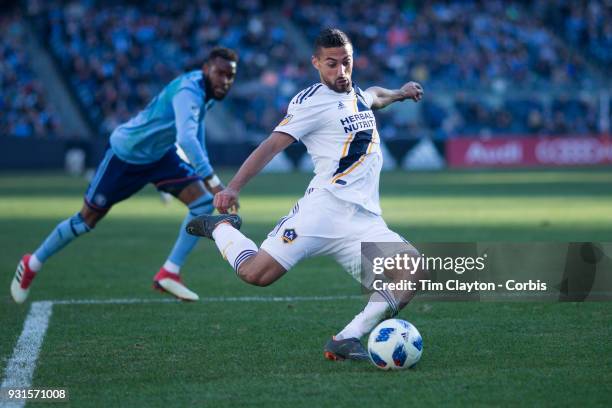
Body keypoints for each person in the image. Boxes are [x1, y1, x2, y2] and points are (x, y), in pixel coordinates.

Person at [186, 29, 426, 361]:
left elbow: (374, 96)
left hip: (363, 221)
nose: (341, 72)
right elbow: (271, 145)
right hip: (322, 211)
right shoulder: (310, 102)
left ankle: (346, 338)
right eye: (331, 64)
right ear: (315, 63)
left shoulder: (354, 94)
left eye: (347, 63)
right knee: (256, 274)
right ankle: (221, 228)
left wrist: (400, 92)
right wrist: (233, 187)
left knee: (412, 269)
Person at [11, 47, 239, 303]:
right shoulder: (189, 91)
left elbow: (196, 132)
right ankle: (32, 263)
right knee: (86, 220)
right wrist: (214, 181)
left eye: (230, 76)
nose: (225, 81)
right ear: (207, 68)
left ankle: (170, 272)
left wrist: (209, 181)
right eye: (220, 73)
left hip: (160, 156)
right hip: (126, 154)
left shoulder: (205, 92)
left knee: (202, 202)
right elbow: (186, 138)